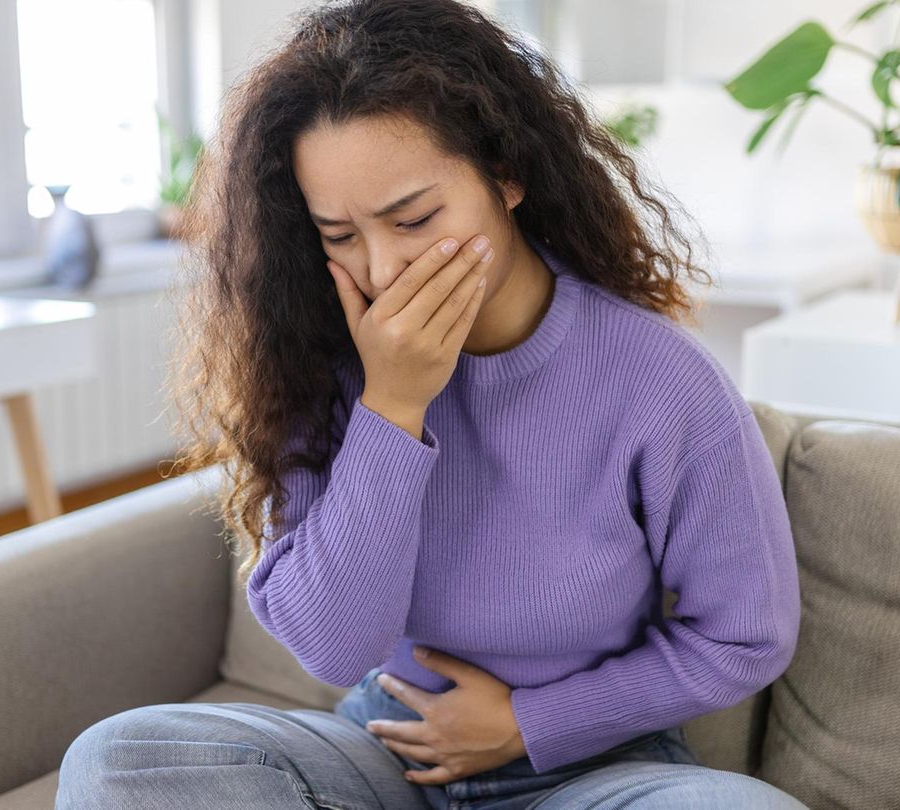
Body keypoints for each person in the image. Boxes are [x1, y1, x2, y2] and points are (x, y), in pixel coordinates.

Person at [56, 0, 809, 807]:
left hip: (599, 766)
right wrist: (393, 405)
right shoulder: (320, 372)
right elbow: (335, 647)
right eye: (340, 236)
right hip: (386, 754)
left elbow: (744, 636)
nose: (383, 269)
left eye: (413, 218)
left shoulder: (661, 381)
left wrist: (530, 721)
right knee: (119, 762)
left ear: (506, 174)